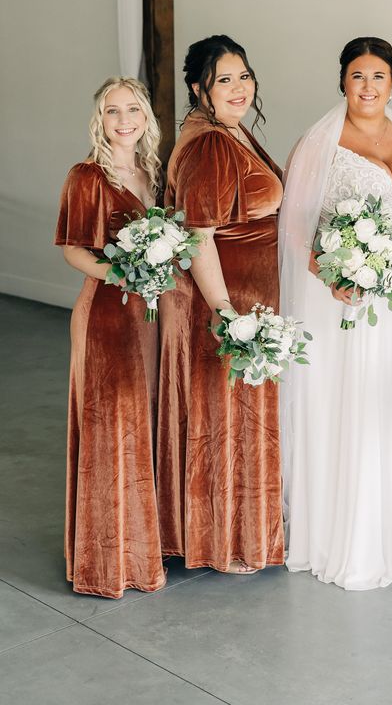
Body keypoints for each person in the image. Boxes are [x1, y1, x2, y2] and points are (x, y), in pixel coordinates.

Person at [278, 36, 392, 590]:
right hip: (343, 301)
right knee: (348, 404)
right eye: (357, 76)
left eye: (378, 76)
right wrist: (332, 275)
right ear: (342, 82)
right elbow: (293, 224)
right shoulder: (320, 142)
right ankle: (346, 535)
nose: (368, 86)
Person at [157, 35, 284, 574]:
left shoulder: (228, 130)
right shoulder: (209, 144)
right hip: (225, 304)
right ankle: (221, 541)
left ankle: (234, 529)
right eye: (223, 80)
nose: (238, 88)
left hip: (244, 299)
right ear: (198, 88)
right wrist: (226, 314)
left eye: (243, 76)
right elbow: (199, 236)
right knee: (221, 423)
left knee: (237, 421)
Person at [55, 77, 165, 598]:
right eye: (112, 111)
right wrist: (125, 274)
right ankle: (107, 556)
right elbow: (75, 250)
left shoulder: (154, 173)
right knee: (110, 424)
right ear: (100, 119)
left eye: (132, 109)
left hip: (154, 316)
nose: (124, 120)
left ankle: (145, 539)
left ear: (146, 115)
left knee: (145, 418)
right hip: (107, 312)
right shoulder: (87, 176)